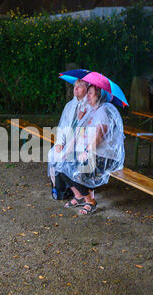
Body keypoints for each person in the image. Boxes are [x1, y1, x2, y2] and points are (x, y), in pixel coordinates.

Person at [54, 84, 125, 215]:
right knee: (62, 165)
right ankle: (80, 196)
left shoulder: (104, 110)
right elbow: (79, 132)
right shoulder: (91, 110)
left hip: (104, 155)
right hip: (90, 151)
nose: (88, 95)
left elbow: (99, 136)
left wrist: (87, 152)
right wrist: (68, 150)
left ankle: (91, 202)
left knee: (79, 169)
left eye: (91, 93)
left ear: (99, 95)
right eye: (88, 93)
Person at [47, 79, 89, 200]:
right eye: (75, 85)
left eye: (80, 86)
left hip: (81, 143)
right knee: (52, 153)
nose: (76, 88)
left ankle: (73, 190)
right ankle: (57, 187)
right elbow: (62, 126)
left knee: (66, 157)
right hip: (68, 141)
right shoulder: (69, 105)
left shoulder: (89, 106)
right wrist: (60, 142)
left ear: (86, 89)